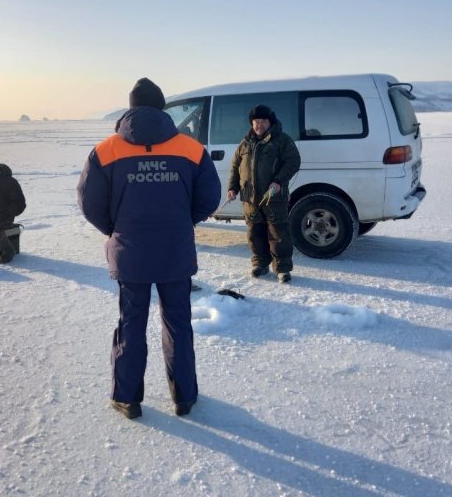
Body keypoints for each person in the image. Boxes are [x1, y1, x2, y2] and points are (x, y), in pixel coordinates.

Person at [77, 78, 221, 419]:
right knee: (178, 324)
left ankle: (127, 398)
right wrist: (183, 222)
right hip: (174, 251)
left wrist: (116, 230)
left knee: (131, 324)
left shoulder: (106, 150)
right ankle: (184, 397)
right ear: (162, 108)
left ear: (130, 108)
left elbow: (89, 202)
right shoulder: (191, 148)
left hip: (131, 254)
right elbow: (209, 197)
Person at [227, 105, 301, 283]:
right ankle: (260, 264)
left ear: (270, 122)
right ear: (252, 123)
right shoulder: (245, 143)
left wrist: (279, 180)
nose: (259, 125)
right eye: (256, 122)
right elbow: (235, 168)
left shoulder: (282, 140)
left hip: (274, 196)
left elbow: (293, 161)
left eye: (262, 121)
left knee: (278, 233)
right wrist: (232, 188)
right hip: (250, 198)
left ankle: (282, 268)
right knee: (255, 233)